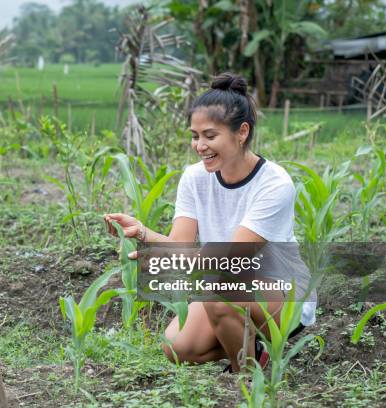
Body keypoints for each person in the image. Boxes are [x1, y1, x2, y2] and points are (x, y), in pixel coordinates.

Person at [104, 73, 316, 373]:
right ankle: (253, 350)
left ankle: (247, 377)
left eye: (210, 135)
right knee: (176, 346)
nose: (200, 145)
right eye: (195, 136)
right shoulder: (194, 178)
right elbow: (181, 245)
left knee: (221, 291)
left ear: (241, 132)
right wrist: (142, 232)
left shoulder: (274, 183)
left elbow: (230, 259)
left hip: (282, 296)